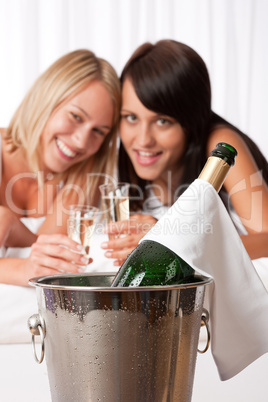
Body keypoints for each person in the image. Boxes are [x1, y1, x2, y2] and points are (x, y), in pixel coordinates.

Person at [101, 39, 268, 269]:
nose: (142, 140)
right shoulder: (122, 162)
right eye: (131, 117)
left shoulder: (220, 148)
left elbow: (267, 238)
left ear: (191, 122)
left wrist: (171, 239)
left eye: (162, 121)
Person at [0, 49, 121, 286]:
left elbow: (48, 262)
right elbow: (38, 259)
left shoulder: (86, 173)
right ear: (47, 99)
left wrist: (11, 226)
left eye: (98, 131)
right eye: (76, 116)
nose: (81, 142)